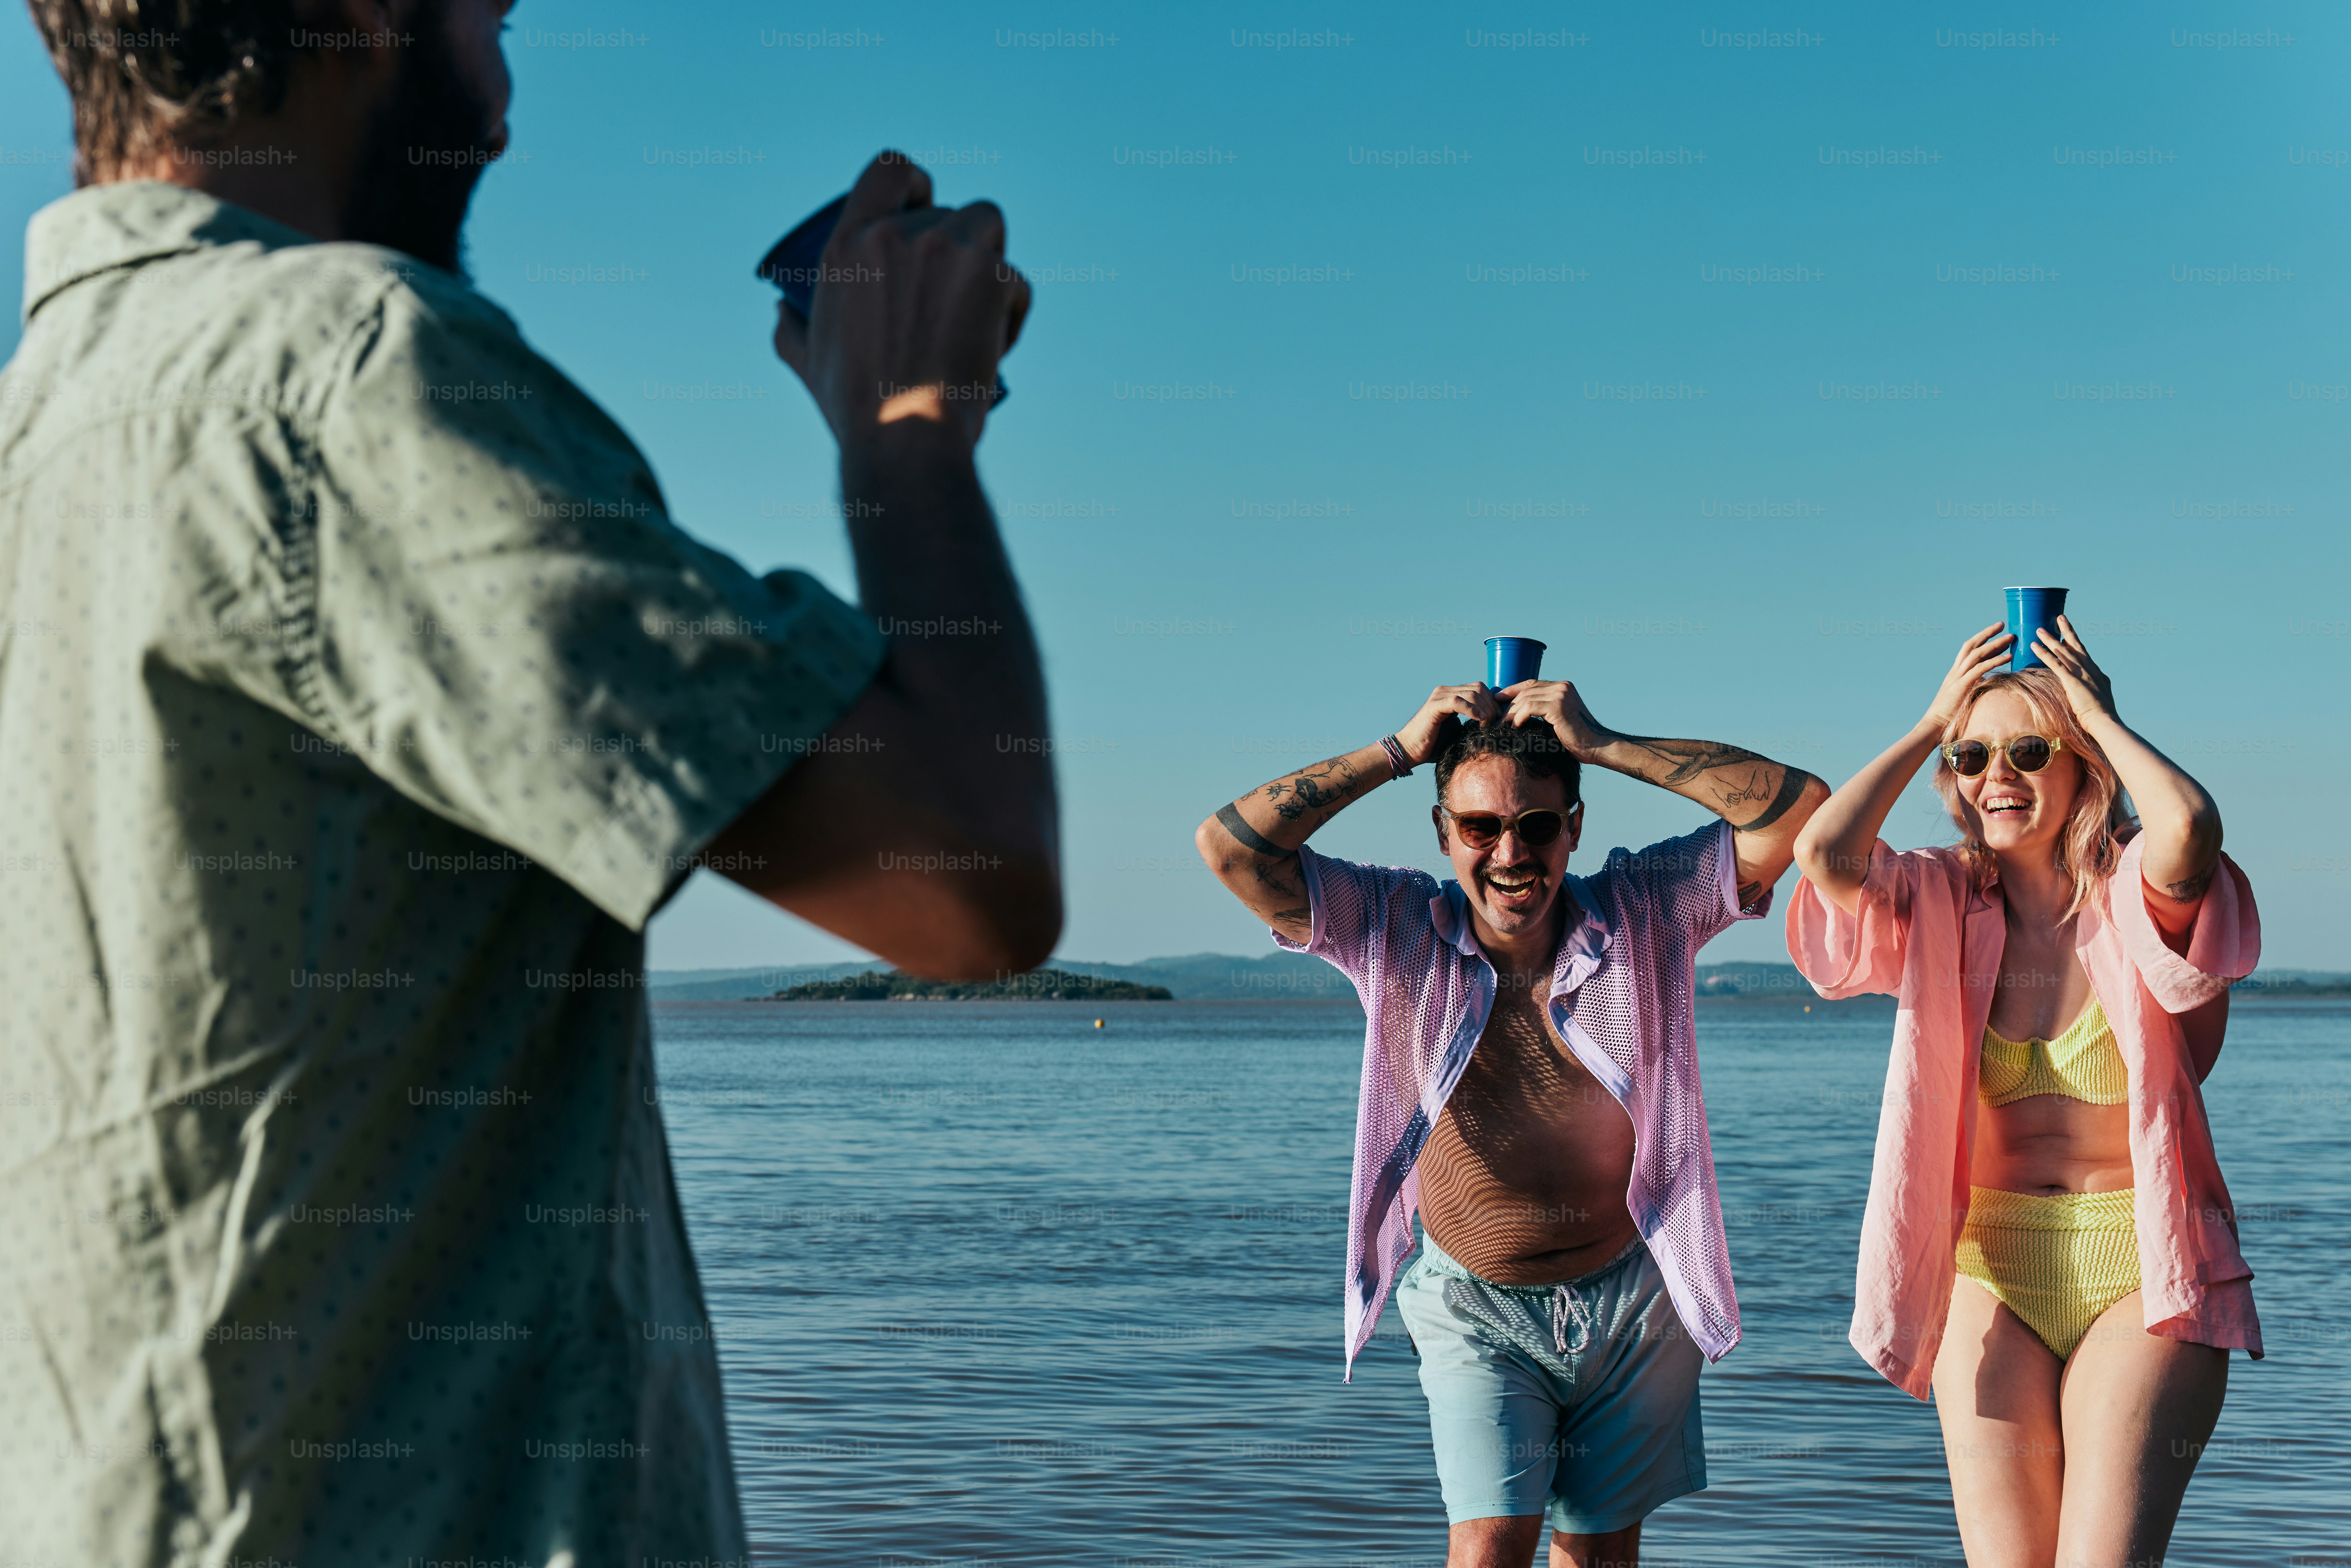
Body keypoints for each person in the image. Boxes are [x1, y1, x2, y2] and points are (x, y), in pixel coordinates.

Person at [1, 3, 1057, 1562]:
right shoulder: (349, 376)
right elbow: (969, 879)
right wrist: (907, 436)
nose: (507, 76)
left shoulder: (46, 433)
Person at [1195, 677, 1826, 1568]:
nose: (1508, 852)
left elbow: (1799, 811)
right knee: (1487, 1546)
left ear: (1573, 826)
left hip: (1635, 1305)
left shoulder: (1644, 909)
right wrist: (1398, 751)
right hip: (1474, 1307)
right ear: (1443, 832)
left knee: (1599, 1558)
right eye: (1480, 826)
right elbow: (1229, 848)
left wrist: (1604, 742)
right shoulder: (1392, 923)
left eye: (1535, 825)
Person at [1786, 620, 2261, 1566]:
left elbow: (2189, 829)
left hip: (2141, 1265)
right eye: (1973, 756)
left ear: (2080, 763)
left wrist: (2094, 710)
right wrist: (1929, 724)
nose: (1995, 774)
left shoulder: (2134, 892)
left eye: (2029, 751)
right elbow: (1823, 855)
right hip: (1989, 1266)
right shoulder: (1937, 901)